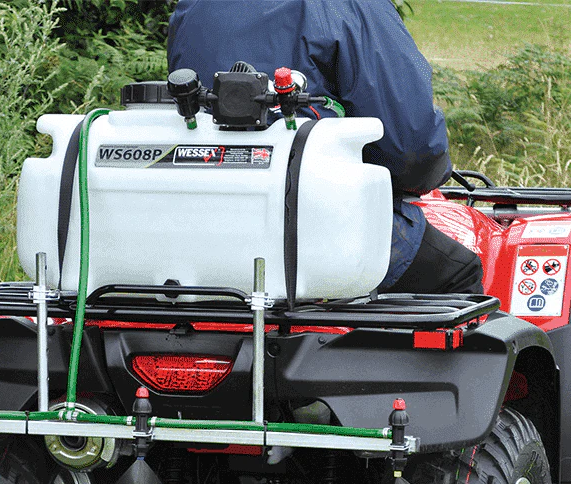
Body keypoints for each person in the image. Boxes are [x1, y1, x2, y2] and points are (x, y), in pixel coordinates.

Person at [167, 0, 483, 295]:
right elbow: (410, 147)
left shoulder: (191, 7)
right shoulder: (350, 7)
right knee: (460, 271)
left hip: (200, 223)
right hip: (314, 223)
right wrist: (424, 174)